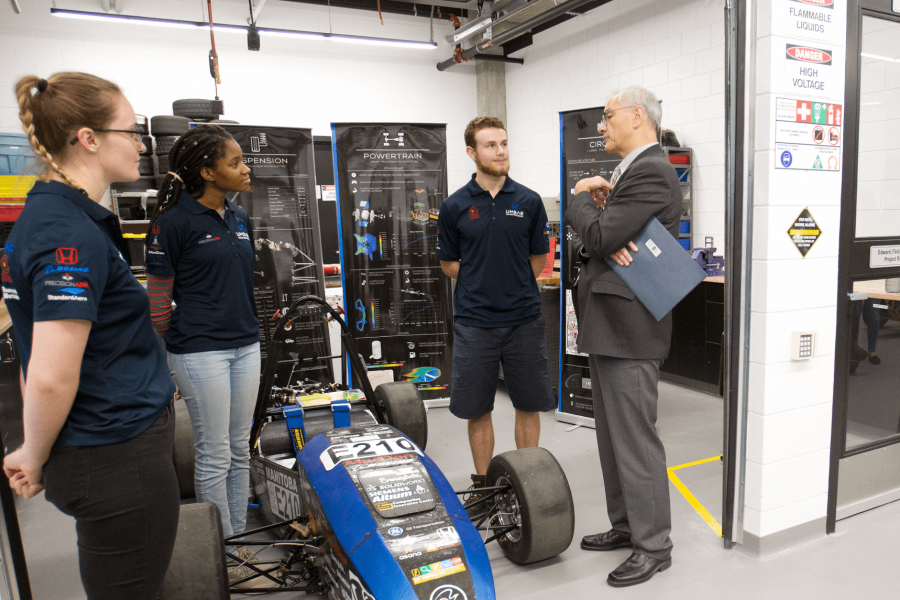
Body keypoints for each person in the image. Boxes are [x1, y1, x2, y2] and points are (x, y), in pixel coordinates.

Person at [1, 72, 179, 599]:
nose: (142, 144)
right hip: (115, 457)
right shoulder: (66, 235)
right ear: (89, 138)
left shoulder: (58, 217)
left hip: (102, 449)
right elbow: (52, 373)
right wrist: (33, 454)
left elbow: (33, 354)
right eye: (131, 131)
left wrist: (39, 448)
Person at [564, 86, 681, 587]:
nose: (600, 126)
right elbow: (609, 241)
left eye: (607, 116)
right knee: (612, 439)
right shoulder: (632, 173)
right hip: (611, 324)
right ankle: (626, 525)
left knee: (635, 442)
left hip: (631, 329)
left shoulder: (651, 170)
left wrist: (579, 201)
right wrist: (608, 234)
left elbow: (599, 238)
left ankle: (654, 545)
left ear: (637, 116)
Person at [145, 125, 260, 581]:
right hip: (200, 353)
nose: (245, 168)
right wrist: (184, 338)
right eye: (235, 163)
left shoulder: (238, 218)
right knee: (213, 453)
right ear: (207, 172)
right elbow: (157, 303)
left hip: (246, 345)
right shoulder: (173, 222)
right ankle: (220, 552)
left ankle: (236, 541)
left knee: (238, 448)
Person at [436, 116, 554, 492]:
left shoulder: (529, 201)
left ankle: (529, 480)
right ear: (472, 152)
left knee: (528, 403)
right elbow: (449, 264)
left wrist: (510, 281)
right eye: (491, 145)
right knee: (477, 408)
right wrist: (483, 280)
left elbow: (538, 258)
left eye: (503, 143)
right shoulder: (454, 206)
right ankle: (484, 484)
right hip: (474, 322)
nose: (501, 151)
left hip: (524, 320)